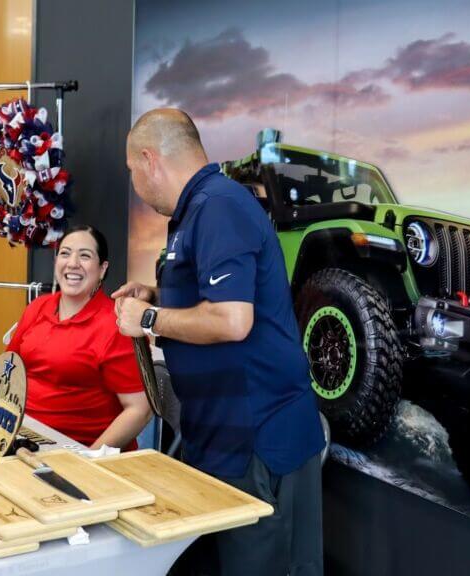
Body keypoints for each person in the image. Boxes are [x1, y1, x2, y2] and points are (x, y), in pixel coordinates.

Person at [115, 109, 325, 575]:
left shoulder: (219, 206)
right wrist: (159, 294)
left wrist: (149, 317)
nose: (137, 185)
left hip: (258, 438)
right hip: (219, 437)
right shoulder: (196, 210)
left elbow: (232, 320)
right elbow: (215, 295)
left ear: (150, 160)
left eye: (132, 172)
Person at [7, 226, 152, 450]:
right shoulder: (38, 307)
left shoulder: (116, 324)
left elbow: (139, 410)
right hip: (21, 438)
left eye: (85, 255)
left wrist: (87, 461)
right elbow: (9, 369)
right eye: (65, 253)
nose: (73, 263)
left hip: (76, 451)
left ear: (102, 269)